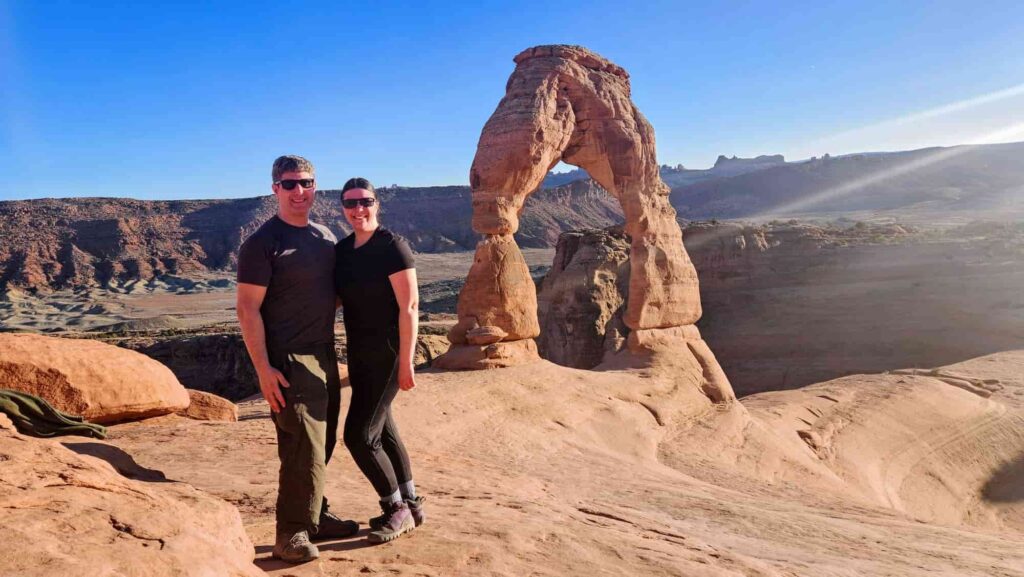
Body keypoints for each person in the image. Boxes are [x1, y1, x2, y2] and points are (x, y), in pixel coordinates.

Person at [236, 155, 359, 564]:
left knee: (321, 443)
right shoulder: (262, 243)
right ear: (275, 189)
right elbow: (247, 309)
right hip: (287, 358)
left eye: (305, 183)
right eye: (289, 184)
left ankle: (316, 515)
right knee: (300, 444)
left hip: (323, 352)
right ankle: (290, 533)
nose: (298, 191)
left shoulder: (324, 236)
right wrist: (263, 369)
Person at [335, 177, 425, 544]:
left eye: (365, 202)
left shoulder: (393, 247)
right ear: (342, 207)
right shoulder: (343, 251)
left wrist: (407, 362)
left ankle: (395, 509)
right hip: (359, 354)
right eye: (351, 203)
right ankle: (412, 503)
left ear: (377, 204)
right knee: (384, 429)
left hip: (388, 354)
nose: (359, 209)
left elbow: (409, 307)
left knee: (359, 435)